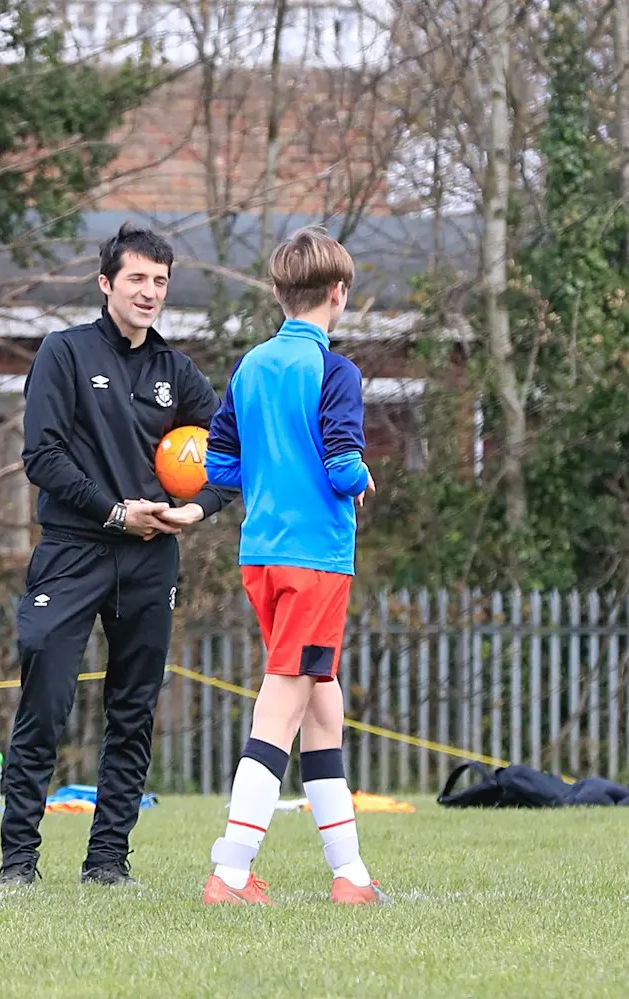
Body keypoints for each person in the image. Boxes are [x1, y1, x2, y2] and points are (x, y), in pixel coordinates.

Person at [0, 223, 235, 888]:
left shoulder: (176, 372)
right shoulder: (64, 353)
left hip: (151, 557)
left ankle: (107, 861)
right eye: (136, 279)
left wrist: (195, 509)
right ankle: (18, 862)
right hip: (73, 551)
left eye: (160, 281)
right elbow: (41, 456)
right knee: (45, 704)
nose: (149, 292)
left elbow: (230, 453)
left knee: (132, 711)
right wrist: (113, 511)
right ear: (106, 283)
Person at [201, 226, 387, 906]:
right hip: (315, 560)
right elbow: (341, 463)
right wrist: (361, 477)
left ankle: (351, 874)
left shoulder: (250, 366)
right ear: (339, 293)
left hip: (262, 556)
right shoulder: (335, 371)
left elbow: (219, 465)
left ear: (280, 293)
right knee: (282, 703)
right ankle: (230, 872)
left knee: (322, 708)